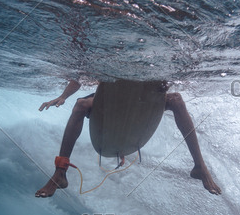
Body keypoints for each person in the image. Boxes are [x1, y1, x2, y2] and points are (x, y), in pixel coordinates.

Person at [35, 79, 221, 197]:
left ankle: (199, 166)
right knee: (81, 105)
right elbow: (78, 77)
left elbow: (167, 81)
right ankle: (60, 172)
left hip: (142, 98)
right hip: (110, 98)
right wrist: (63, 96)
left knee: (177, 100)